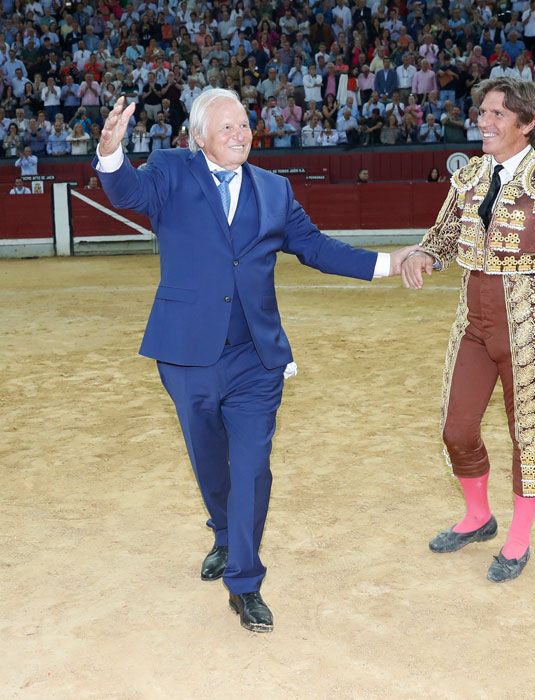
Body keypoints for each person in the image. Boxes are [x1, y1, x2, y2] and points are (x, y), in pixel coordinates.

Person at [93, 91, 419, 633]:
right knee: (208, 459)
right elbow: (126, 189)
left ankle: (244, 583)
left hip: (255, 360)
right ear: (199, 137)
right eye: (227, 127)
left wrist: (388, 262)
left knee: (250, 469)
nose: (241, 134)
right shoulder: (172, 170)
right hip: (186, 355)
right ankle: (223, 533)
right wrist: (110, 152)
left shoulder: (275, 189)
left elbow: (316, 248)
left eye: (245, 124)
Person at [401, 78, 535, 583]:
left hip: (528, 329)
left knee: (528, 434)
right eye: (482, 112)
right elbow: (446, 235)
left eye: (496, 114)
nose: (483, 121)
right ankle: (478, 516)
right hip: (473, 324)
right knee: (457, 429)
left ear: (527, 122)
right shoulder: (470, 176)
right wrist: (427, 253)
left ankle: (519, 538)